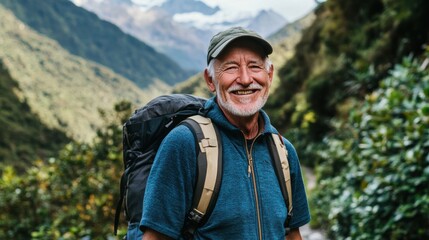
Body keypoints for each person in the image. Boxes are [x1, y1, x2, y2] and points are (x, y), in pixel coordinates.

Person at [139, 26, 310, 240]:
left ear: (270, 75)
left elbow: (292, 233)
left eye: (255, 66)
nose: (246, 79)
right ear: (210, 80)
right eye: (231, 68)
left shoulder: (284, 152)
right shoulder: (185, 144)